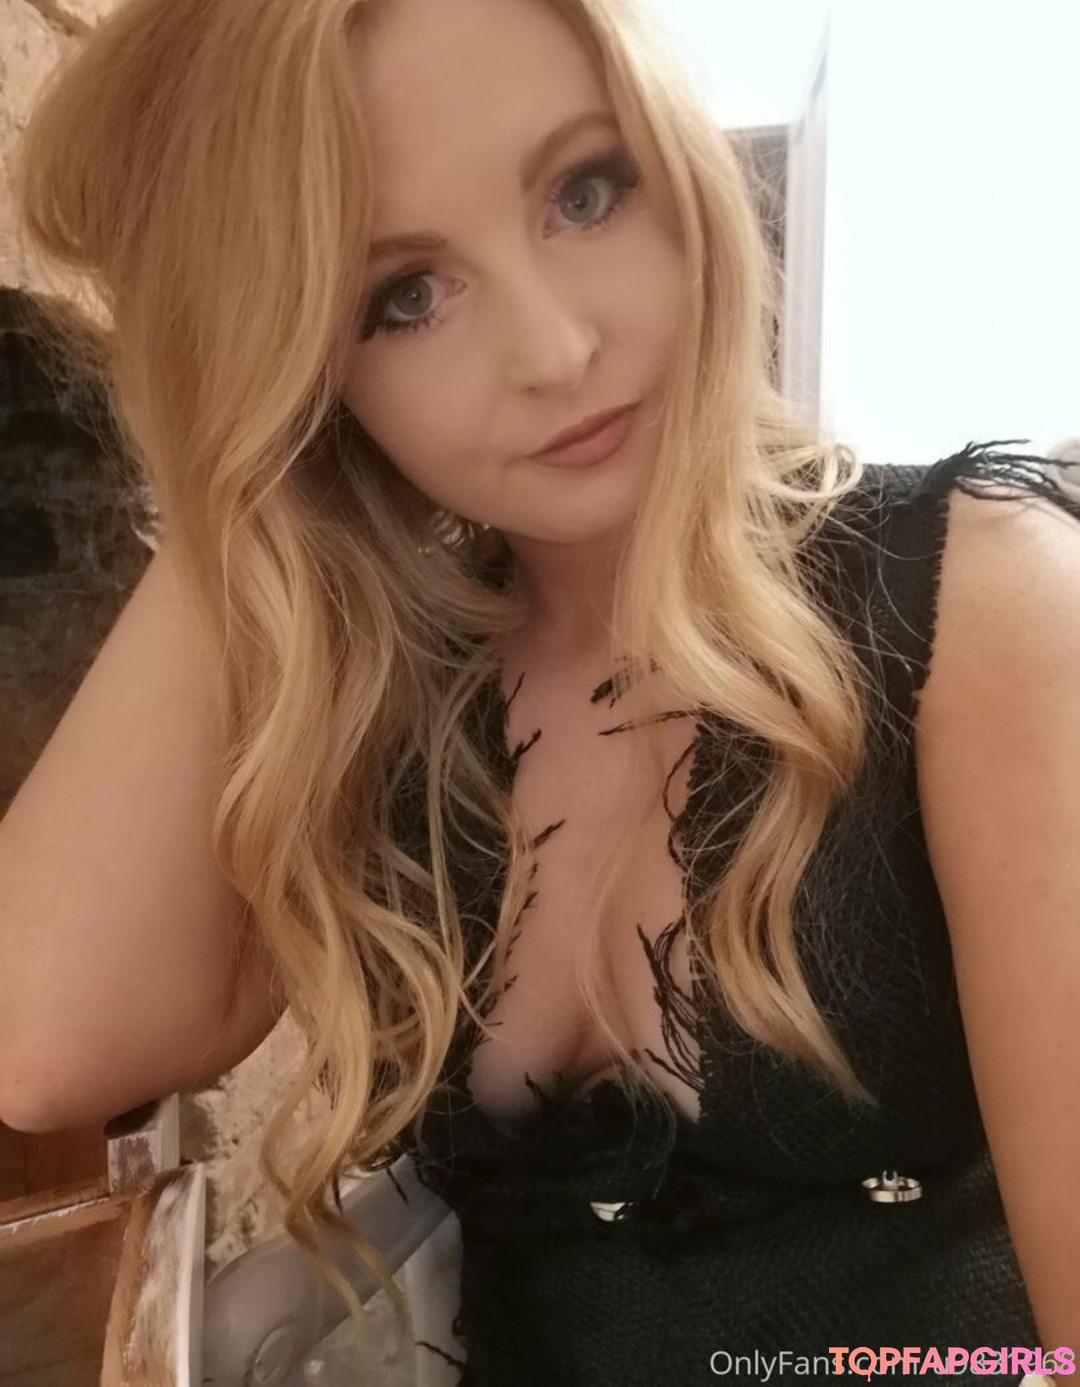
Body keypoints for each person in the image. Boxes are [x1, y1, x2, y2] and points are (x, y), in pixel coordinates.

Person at [1, 0, 1077, 1383]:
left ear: (676, 166)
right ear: (313, 371)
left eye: (584, 191)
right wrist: (240, 467)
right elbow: (44, 1045)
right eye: (405, 295)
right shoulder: (385, 704)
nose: (559, 347)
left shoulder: (973, 605)